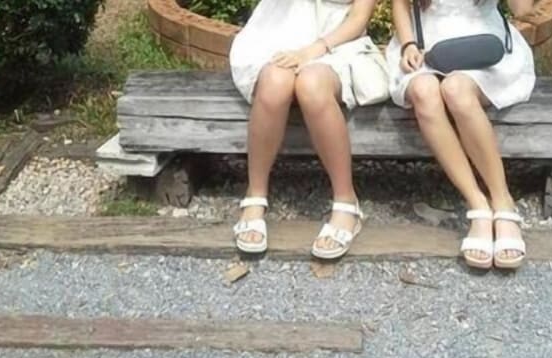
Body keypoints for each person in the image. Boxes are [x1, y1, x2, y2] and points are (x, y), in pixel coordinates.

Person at [387, 0, 536, 270]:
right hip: (425, 45)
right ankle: (478, 205)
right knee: (424, 91)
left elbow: (523, 10)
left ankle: (503, 202)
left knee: (456, 90)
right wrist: (408, 44)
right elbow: (400, 4)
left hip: (480, 47)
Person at [229, 0, 380, 260]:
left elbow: (358, 19)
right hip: (279, 35)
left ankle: (346, 200)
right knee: (275, 82)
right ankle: (255, 194)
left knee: (312, 85)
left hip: (337, 44)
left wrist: (312, 51)